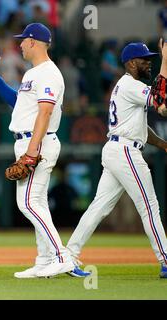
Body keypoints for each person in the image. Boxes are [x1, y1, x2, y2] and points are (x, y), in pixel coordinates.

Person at [0, 23, 83, 278]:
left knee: (28, 203)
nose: (19, 44)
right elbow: (19, 104)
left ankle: (62, 257)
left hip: (38, 143)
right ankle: (44, 261)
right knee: (38, 202)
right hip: (30, 141)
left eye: (22, 40)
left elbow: (45, 111)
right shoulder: (33, 73)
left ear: (33, 42)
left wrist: (31, 151)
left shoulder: (49, 73)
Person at [67, 42, 167, 279]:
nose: (149, 62)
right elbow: (159, 98)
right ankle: (165, 259)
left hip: (118, 148)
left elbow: (141, 127)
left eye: (151, 58)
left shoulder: (127, 86)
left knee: (99, 207)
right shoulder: (131, 85)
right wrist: (166, 60)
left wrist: (163, 144)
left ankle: (68, 256)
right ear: (131, 63)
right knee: (149, 207)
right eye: (144, 59)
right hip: (125, 152)